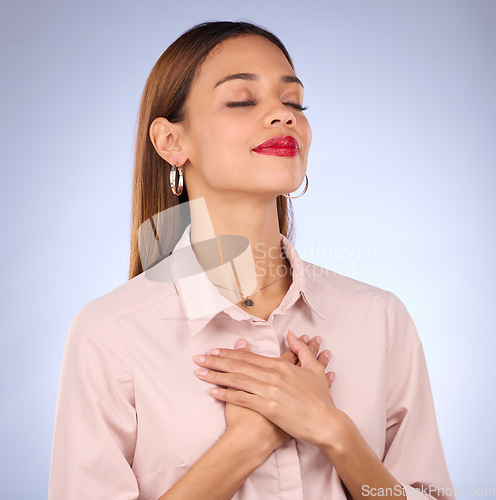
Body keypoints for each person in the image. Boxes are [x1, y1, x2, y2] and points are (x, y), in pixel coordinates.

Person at [48, 20, 455, 500]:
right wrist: (246, 443)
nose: (283, 116)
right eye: (243, 100)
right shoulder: (112, 332)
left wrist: (336, 433)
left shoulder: (380, 317)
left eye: (294, 102)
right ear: (170, 142)